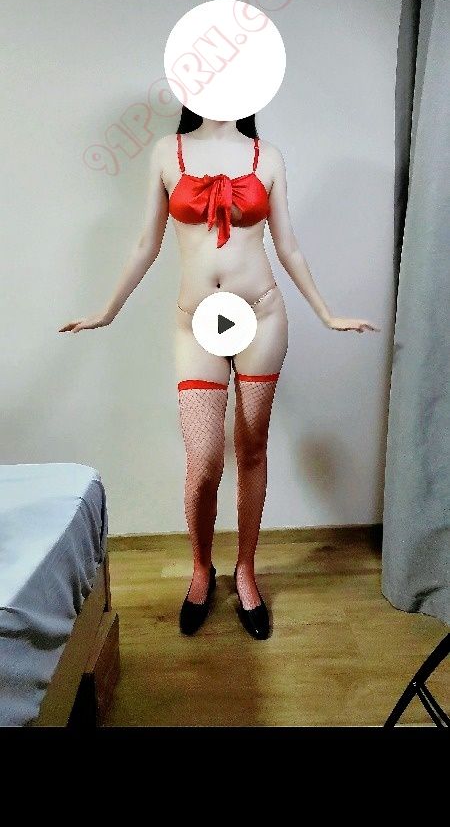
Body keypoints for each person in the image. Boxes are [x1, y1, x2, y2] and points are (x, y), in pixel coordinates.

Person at [59, 108, 379, 640]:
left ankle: (246, 570)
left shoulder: (266, 157)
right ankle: (201, 568)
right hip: (196, 322)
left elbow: (287, 245)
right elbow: (146, 243)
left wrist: (327, 314)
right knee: (205, 459)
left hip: (262, 316)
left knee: (252, 448)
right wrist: (107, 310)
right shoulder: (168, 153)